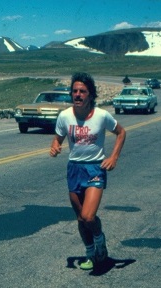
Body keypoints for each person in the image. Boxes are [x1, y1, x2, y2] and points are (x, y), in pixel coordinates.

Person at [50, 72, 126, 270]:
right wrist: (55, 147)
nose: (77, 95)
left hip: (95, 168)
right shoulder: (65, 116)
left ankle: (100, 240)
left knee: (88, 216)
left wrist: (114, 157)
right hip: (74, 169)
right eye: (74, 91)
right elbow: (58, 138)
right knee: (81, 219)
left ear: (90, 95)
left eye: (82, 91)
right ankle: (91, 254)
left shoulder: (101, 115)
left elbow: (121, 132)